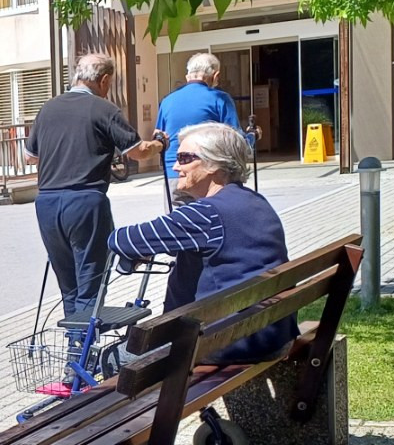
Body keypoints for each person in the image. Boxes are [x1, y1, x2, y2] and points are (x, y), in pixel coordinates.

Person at [108, 122, 298, 363]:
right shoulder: (255, 201)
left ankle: (159, 402)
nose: (176, 166)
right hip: (271, 333)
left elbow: (125, 240)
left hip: (226, 341)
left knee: (115, 358)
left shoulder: (205, 213)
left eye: (185, 158)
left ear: (214, 164)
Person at [25, 53, 166, 316]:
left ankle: (75, 350)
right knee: (91, 279)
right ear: (104, 79)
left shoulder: (48, 108)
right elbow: (138, 152)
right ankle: (84, 351)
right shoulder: (104, 109)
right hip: (85, 200)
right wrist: (160, 144)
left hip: (46, 203)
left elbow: (30, 156)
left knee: (68, 285)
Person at [155, 53, 242, 189]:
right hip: (207, 174)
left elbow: (159, 136)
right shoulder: (220, 99)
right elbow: (236, 140)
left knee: (178, 210)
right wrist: (252, 136)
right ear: (216, 76)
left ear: (187, 76)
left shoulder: (167, 101)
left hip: (174, 173)